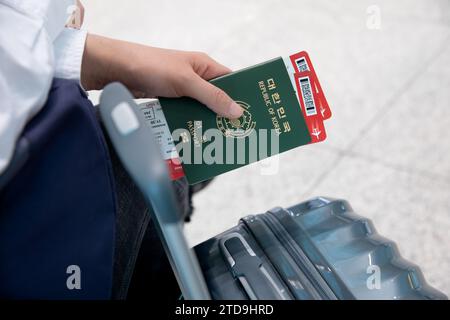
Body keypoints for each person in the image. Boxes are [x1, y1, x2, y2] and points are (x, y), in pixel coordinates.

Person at [0, 0, 242, 299]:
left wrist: (108, 59)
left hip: (60, 147)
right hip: (38, 232)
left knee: (176, 144)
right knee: (171, 163)